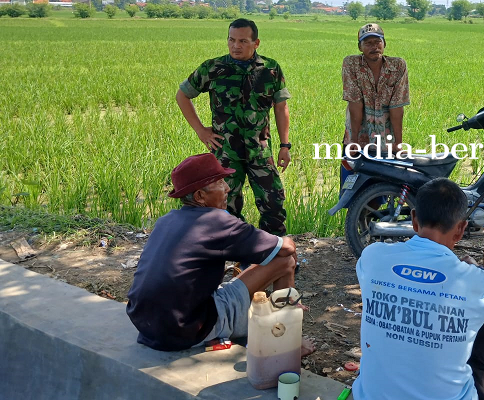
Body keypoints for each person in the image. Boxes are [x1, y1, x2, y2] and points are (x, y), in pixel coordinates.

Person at [352, 178, 484, 400]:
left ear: (414, 220)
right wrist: (481, 270)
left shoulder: (373, 256)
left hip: (369, 396)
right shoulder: (472, 280)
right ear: (461, 229)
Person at [126, 153, 311, 352]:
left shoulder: (166, 221)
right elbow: (287, 248)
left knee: (271, 259)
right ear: (199, 196)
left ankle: (280, 320)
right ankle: (288, 342)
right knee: (285, 260)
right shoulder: (216, 222)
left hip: (146, 325)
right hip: (189, 329)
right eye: (220, 182)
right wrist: (287, 241)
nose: (228, 188)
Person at [176, 18, 292, 235]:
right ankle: (234, 253)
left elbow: (281, 107)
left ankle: (274, 254)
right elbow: (182, 95)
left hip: (259, 150)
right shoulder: (213, 68)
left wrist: (285, 145)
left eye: (242, 41)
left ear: (256, 43)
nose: (235, 46)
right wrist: (201, 131)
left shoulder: (270, 69)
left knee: (273, 203)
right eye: (231, 40)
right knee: (226, 206)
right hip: (226, 152)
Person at [341, 23, 409, 188]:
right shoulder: (351, 64)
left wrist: (398, 144)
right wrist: (354, 142)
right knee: (355, 189)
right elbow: (355, 104)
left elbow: (397, 107)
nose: (374, 47)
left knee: (381, 190)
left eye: (377, 42)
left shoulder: (398, 66)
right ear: (360, 47)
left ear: (384, 44)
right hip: (358, 135)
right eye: (368, 43)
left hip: (385, 141)